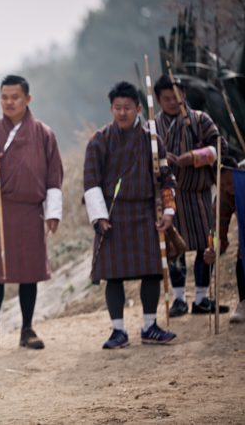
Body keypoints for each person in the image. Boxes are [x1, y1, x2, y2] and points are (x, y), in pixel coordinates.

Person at [0, 75, 63, 349]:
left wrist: (53, 212)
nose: (9, 102)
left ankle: (27, 330)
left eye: (15, 97)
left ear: (27, 99)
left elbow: (54, 175)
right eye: (4, 97)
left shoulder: (43, 133)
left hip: (31, 210)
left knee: (28, 272)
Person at [84, 81, 177, 349]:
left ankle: (150, 326)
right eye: (117, 108)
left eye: (127, 108)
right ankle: (118, 331)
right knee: (113, 275)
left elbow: (167, 180)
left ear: (138, 108)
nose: (122, 113)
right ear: (111, 109)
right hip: (112, 215)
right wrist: (99, 217)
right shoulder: (99, 141)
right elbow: (91, 183)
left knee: (152, 272)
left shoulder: (152, 141)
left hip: (146, 213)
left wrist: (168, 211)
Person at [154, 75, 229, 317]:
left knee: (207, 244)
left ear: (184, 95)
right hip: (169, 198)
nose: (173, 103)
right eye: (167, 99)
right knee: (174, 247)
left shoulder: (200, 120)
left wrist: (193, 157)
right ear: (158, 100)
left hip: (199, 194)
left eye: (177, 97)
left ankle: (201, 298)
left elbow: (220, 148)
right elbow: (145, 157)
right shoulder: (152, 126)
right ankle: (178, 300)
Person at [202, 157, 245, 322]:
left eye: (230, 182)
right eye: (222, 185)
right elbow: (218, 232)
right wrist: (214, 249)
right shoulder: (222, 197)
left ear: (238, 173)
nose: (228, 188)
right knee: (243, 251)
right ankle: (244, 301)